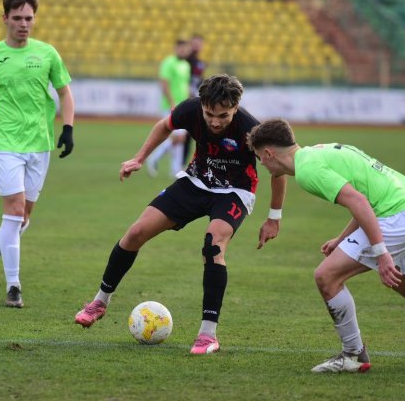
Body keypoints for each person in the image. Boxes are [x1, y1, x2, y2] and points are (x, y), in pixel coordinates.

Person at [247, 118, 405, 372]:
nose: (262, 164)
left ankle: (353, 354)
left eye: (260, 158)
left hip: (397, 216)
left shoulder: (307, 171)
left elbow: (359, 202)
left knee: (326, 276)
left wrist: (382, 254)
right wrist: (341, 239)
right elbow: (364, 199)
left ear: (269, 153)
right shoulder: (318, 152)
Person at [74, 74, 287, 355]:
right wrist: (139, 158)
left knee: (213, 246)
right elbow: (164, 125)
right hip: (195, 182)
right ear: (202, 106)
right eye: (209, 114)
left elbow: (278, 170)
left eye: (223, 116)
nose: (215, 122)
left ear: (236, 107)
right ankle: (100, 302)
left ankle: (207, 335)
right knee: (136, 232)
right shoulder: (190, 109)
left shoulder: (251, 130)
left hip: (234, 192)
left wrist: (273, 217)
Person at [0, 0, 75, 309]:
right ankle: (14, 287)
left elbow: (65, 93)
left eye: (29, 18)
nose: (24, 24)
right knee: (13, 211)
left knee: (23, 218)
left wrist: (68, 128)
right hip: (4, 141)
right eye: (17, 18)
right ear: (5, 19)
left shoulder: (47, 53)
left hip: (40, 142)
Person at [146, 39, 191, 177]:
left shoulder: (186, 65)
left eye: (185, 48)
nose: (183, 50)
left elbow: (185, 85)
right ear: (176, 48)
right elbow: (164, 83)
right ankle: (153, 158)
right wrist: (171, 102)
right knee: (179, 137)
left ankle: (175, 169)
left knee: (180, 138)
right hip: (171, 105)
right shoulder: (169, 62)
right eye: (181, 48)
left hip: (183, 104)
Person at [182, 34, 206, 166]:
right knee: (182, 133)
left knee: (188, 133)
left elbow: (198, 80)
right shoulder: (186, 61)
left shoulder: (200, 62)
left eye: (199, 43)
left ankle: (183, 163)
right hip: (186, 98)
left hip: (195, 98)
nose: (197, 46)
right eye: (195, 43)